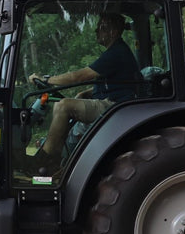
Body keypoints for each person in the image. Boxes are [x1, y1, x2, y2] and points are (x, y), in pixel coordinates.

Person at [27, 13, 141, 173]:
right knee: (70, 102)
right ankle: (58, 163)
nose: (96, 31)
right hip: (115, 103)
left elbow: (78, 76)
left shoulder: (116, 53)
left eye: (101, 27)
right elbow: (111, 83)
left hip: (115, 107)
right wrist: (85, 93)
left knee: (63, 106)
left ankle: (45, 162)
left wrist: (47, 80)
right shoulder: (116, 51)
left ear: (113, 32)